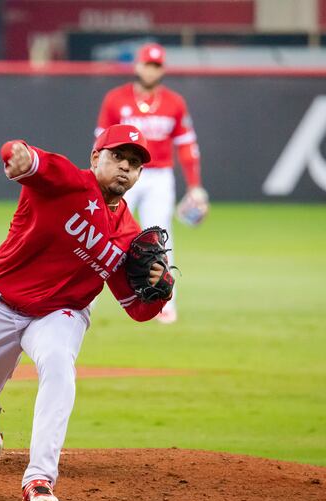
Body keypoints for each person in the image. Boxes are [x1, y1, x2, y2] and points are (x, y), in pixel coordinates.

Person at [0, 124, 172, 501]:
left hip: (60, 313)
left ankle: (39, 479)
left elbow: (137, 309)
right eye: (117, 156)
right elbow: (30, 160)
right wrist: (15, 153)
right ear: (94, 158)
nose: (125, 167)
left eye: (134, 163)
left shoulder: (129, 236)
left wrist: (161, 288)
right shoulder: (66, 181)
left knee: (58, 364)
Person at [96, 42, 209, 324]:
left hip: (158, 176)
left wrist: (194, 185)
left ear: (162, 69)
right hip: (120, 173)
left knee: (158, 238)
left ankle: (164, 300)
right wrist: (99, 177)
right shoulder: (115, 99)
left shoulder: (174, 103)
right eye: (147, 64)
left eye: (156, 65)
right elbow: (100, 143)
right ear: (137, 66)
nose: (151, 69)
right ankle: (87, 293)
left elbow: (186, 145)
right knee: (100, 231)